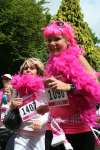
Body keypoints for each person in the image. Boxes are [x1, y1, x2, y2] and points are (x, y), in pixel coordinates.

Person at [41, 20, 100, 150]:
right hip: (54, 130)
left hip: (78, 132)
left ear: (68, 41)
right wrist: (46, 107)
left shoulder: (78, 58)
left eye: (57, 39)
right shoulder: (49, 63)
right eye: (49, 40)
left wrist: (69, 87)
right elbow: (57, 99)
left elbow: (96, 89)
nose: (51, 43)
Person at [7, 58, 48, 150]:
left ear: (38, 71)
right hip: (21, 135)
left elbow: (52, 109)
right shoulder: (16, 89)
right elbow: (10, 111)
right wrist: (12, 106)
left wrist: (42, 121)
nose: (28, 70)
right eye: (26, 68)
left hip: (40, 136)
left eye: (32, 68)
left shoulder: (44, 88)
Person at [0, 74, 14, 150]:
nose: (6, 80)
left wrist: (10, 96)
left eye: (8, 79)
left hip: (11, 127)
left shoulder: (15, 91)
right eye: (4, 79)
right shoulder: (0, 92)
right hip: (1, 126)